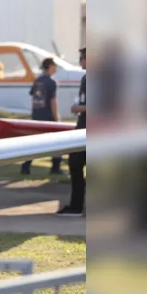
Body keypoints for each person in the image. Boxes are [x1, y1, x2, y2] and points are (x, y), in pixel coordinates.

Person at [21, 57, 63, 175]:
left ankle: (25, 166)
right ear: (50, 66)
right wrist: (57, 118)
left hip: (37, 115)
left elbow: (33, 96)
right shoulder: (52, 82)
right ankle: (55, 168)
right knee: (57, 142)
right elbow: (53, 101)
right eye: (54, 66)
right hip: (48, 116)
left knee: (35, 143)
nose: (56, 68)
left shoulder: (38, 80)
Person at [60, 47, 87, 216]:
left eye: (83, 57)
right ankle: (76, 206)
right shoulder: (85, 78)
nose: (80, 60)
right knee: (75, 164)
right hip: (82, 129)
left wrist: (79, 107)